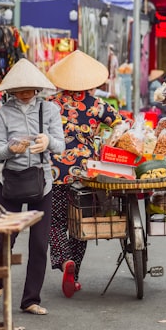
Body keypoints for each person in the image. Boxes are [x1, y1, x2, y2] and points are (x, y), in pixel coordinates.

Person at [0, 58, 65, 315]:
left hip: (42, 182)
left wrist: (48, 142)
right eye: (19, 89)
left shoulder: (50, 111)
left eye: (29, 88)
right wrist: (10, 149)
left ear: (37, 88)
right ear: (10, 90)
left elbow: (61, 145)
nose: (24, 93)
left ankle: (31, 299)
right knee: (4, 240)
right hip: (11, 182)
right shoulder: (2, 113)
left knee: (39, 244)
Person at [46, 50, 120, 298]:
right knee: (82, 222)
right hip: (86, 173)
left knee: (55, 223)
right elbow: (121, 124)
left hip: (55, 171)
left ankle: (64, 259)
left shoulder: (50, 104)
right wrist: (108, 143)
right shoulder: (97, 105)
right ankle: (74, 273)